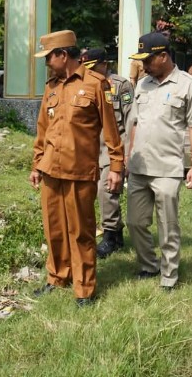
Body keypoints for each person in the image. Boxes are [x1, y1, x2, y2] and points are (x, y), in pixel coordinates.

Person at [29, 30, 124, 307]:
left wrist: (116, 166)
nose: (46, 63)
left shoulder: (96, 84)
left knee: (81, 232)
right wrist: (36, 164)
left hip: (80, 171)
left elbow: (111, 130)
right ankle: (58, 276)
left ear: (62, 55)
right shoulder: (52, 86)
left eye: (48, 57)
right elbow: (43, 129)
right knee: (54, 228)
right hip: (50, 169)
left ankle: (84, 288)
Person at [126, 32, 192, 290]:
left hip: (168, 168)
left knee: (167, 225)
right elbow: (135, 123)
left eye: (147, 60)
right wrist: (129, 156)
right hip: (139, 167)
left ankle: (169, 276)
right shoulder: (143, 85)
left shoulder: (188, 85)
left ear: (163, 56)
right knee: (135, 222)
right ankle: (149, 265)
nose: (144, 65)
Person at [81, 48, 134, 258]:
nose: (90, 71)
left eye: (93, 67)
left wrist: (128, 154)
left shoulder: (120, 85)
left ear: (104, 64)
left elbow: (130, 120)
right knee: (95, 193)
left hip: (113, 150)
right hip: (91, 149)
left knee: (107, 191)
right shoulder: (85, 85)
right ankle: (117, 235)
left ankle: (110, 236)